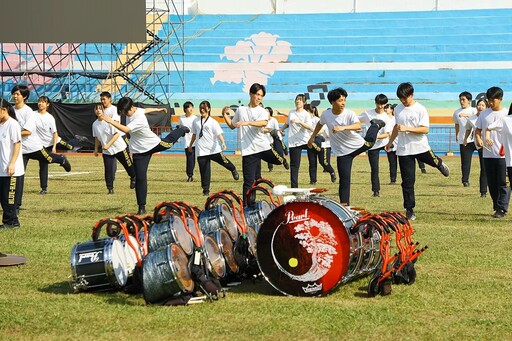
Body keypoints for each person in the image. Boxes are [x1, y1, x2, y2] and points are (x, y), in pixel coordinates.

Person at [99, 97, 189, 215]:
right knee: (140, 178)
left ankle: (181, 130)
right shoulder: (135, 110)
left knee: (168, 143)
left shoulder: (139, 118)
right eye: (124, 112)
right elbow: (146, 110)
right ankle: (141, 207)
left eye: (127, 112)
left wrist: (110, 121)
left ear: (132, 107)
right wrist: (159, 109)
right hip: (139, 151)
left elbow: (126, 129)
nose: (126, 114)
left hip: (152, 144)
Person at [307, 87, 385, 205]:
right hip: (343, 152)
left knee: (370, 142)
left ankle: (375, 125)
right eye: (340, 100)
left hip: (357, 145)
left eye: (344, 100)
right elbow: (320, 123)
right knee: (344, 180)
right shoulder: (326, 114)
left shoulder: (349, 113)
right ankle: (345, 206)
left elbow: (358, 126)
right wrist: (312, 137)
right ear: (332, 102)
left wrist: (342, 128)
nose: (343, 103)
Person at [385, 82, 450, 221]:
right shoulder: (398, 109)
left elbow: (425, 129)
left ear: (411, 95)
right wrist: (390, 142)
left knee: (433, 161)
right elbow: (397, 127)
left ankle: (439, 164)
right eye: (400, 99)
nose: (403, 101)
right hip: (404, 150)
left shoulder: (420, 109)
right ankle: (409, 209)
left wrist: (407, 128)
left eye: (405, 98)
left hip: (420, 147)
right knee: (408, 182)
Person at [221, 83, 288, 204]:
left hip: (263, 147)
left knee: (280, 160)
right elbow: (232, 125)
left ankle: (276, 137)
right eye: (257, 95)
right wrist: (224, 114)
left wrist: (247, 123)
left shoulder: (262, 111)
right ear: (251, 94)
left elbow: (263, 123)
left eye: (261, 96)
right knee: (248, 182)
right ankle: (248, 207)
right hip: (249, 151)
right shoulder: (241, 110)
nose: (259, 98)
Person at [12, 85, 71, 211]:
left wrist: (13, 132)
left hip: (34, 146)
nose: (15, 96)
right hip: (20, 149)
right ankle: (16, 205)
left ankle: (61, 160)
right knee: (18, 175)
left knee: (48, 158)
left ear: (25, 96)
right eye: (14, 94)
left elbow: (27, 131)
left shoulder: (28, 112)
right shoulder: (11, 110)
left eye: (18, 94)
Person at [188, 101, 239, 196]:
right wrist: (191, 145)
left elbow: (218, 133)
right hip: (201, 150)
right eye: (201, 108)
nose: (202, 110)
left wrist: (223, 142)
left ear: (209, 109)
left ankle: (233, 169)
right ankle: (206, 190)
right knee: (204, 171)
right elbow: (194, 134)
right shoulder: (196, 121)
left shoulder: (213, 121)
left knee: (224, 162)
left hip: (213, 149)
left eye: (204, 108)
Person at [475, 87, 510, 218]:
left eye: (493, 100)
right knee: (492, 183)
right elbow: (478, 130)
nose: (490, 103)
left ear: (500, 99)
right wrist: (478, 139)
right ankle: (497, 206)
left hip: (503, 154)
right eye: (489, 100)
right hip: (488, 154)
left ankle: (502, 208)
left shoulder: (506, 114)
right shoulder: (484, 114)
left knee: (503, 182)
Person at [34, 96, 75, 194]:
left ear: (47, 105)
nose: (41, 104)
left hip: (53, 141)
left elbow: (55, 133)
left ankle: (78, 140)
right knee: (43, 164)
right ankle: (44, 188)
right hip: (41, 145)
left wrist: (54, 147)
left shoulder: (49, 118)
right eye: (39, 101)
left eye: (43, 102)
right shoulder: (32, 114)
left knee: (70, 146)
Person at [92, 104, 136, 195]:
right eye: (96, 109)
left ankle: (133, 177)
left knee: (128, 165)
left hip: (119, 147)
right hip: (107, 151)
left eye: (100, 109)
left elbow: (116, 135)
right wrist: (96, 149)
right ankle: (110, 188)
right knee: (108, 170)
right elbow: (96, 137)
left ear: (103, 110)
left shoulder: (109, 121)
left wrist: (108, 144)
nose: (98, 111)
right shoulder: (95, 124)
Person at [358, 94, 392, 197]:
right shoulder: (368, 113)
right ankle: (376, 190)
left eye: (382, 104)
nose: (380, 106)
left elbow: (387, 133)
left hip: (384, 142)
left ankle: (394, 179)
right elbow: (356, 120)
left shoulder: (386, 118)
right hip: (372, 145)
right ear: (375, 103)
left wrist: (377, 137)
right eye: (378, 104)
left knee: (394, 159)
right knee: (374, 168)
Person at [280, 94, 313, 188]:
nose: (298, 101)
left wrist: (299, 122)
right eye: (297, 100)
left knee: (315, 154)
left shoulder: (306, 114)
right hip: (293, 142)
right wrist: (281, 130)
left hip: (305, 141)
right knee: (294, 166)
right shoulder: (291, 112)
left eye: (300, 100)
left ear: (304, 102)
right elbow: (287, 124)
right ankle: (294, 188)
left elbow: (309, 127)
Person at [0, 99, 24, 229]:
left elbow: (17, 143)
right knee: (2, 197)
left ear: (4, 110)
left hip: (12, 169)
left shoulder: (12, 124)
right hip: (1, 168)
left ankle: (12, 222)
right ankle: (6, 221)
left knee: (9, 197)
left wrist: (12, 163)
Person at [462, 98, 488, 197]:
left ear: (486, 107)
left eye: (483, 105)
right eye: (479, 105)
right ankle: (483, 192)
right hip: (480, 145)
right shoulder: (471, 118)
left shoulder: (488, 117)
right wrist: (465, 139)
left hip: (490, 145)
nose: (480, 107)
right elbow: (468, 129)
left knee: (490, 168)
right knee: (483, 168)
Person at [305, 104, 336, 184]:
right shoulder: (305, 121)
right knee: (312, 163)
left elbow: (323, 130)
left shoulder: (317, 119)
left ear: (309, 111)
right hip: (311, 143)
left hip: (322, 144)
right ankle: (313, 180)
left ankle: (331, 172)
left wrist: (313, 134)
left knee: (324, 162)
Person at [453, 91, 478, 187]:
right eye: (460, 100)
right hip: (464, 140)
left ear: (469, 101)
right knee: (465, 162)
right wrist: (457, 134)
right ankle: (465, 180)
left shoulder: (474, 110)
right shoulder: (456, 112)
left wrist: (465, 115)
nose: (461, 102)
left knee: (484, 161)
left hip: (476, 139)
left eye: (463, 100)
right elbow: (456, 124)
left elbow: (478, 118)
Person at [262, 106, 287, 172]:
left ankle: (283, 160)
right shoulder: (262, 120)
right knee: (269, 154)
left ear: (270, 112)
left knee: (278, 153)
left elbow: (277, 130)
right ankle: (270, 168)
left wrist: (280, 137)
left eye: (267, 111)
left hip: (275, 138)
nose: (265, 112)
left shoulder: (273, 120)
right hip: (266, 140)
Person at [179, 101, 196, 182]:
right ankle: (190, 175)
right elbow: (179, 128)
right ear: (185, 109)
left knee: (200, 159)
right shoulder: (182, 118)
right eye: (189, 107)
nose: (191, 108)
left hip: (196, 142)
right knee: (190, 159)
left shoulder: (195, 118)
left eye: (192, 107)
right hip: (187, 142)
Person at [384, 103, 398, 184]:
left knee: (403, 162)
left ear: (392, 110)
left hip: (398, 143)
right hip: (389, 144)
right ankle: (393, 180)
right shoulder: (384, 119)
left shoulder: (395, 119)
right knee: (392, 162)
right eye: (385, 108)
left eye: (387, 108)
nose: (386, 109)